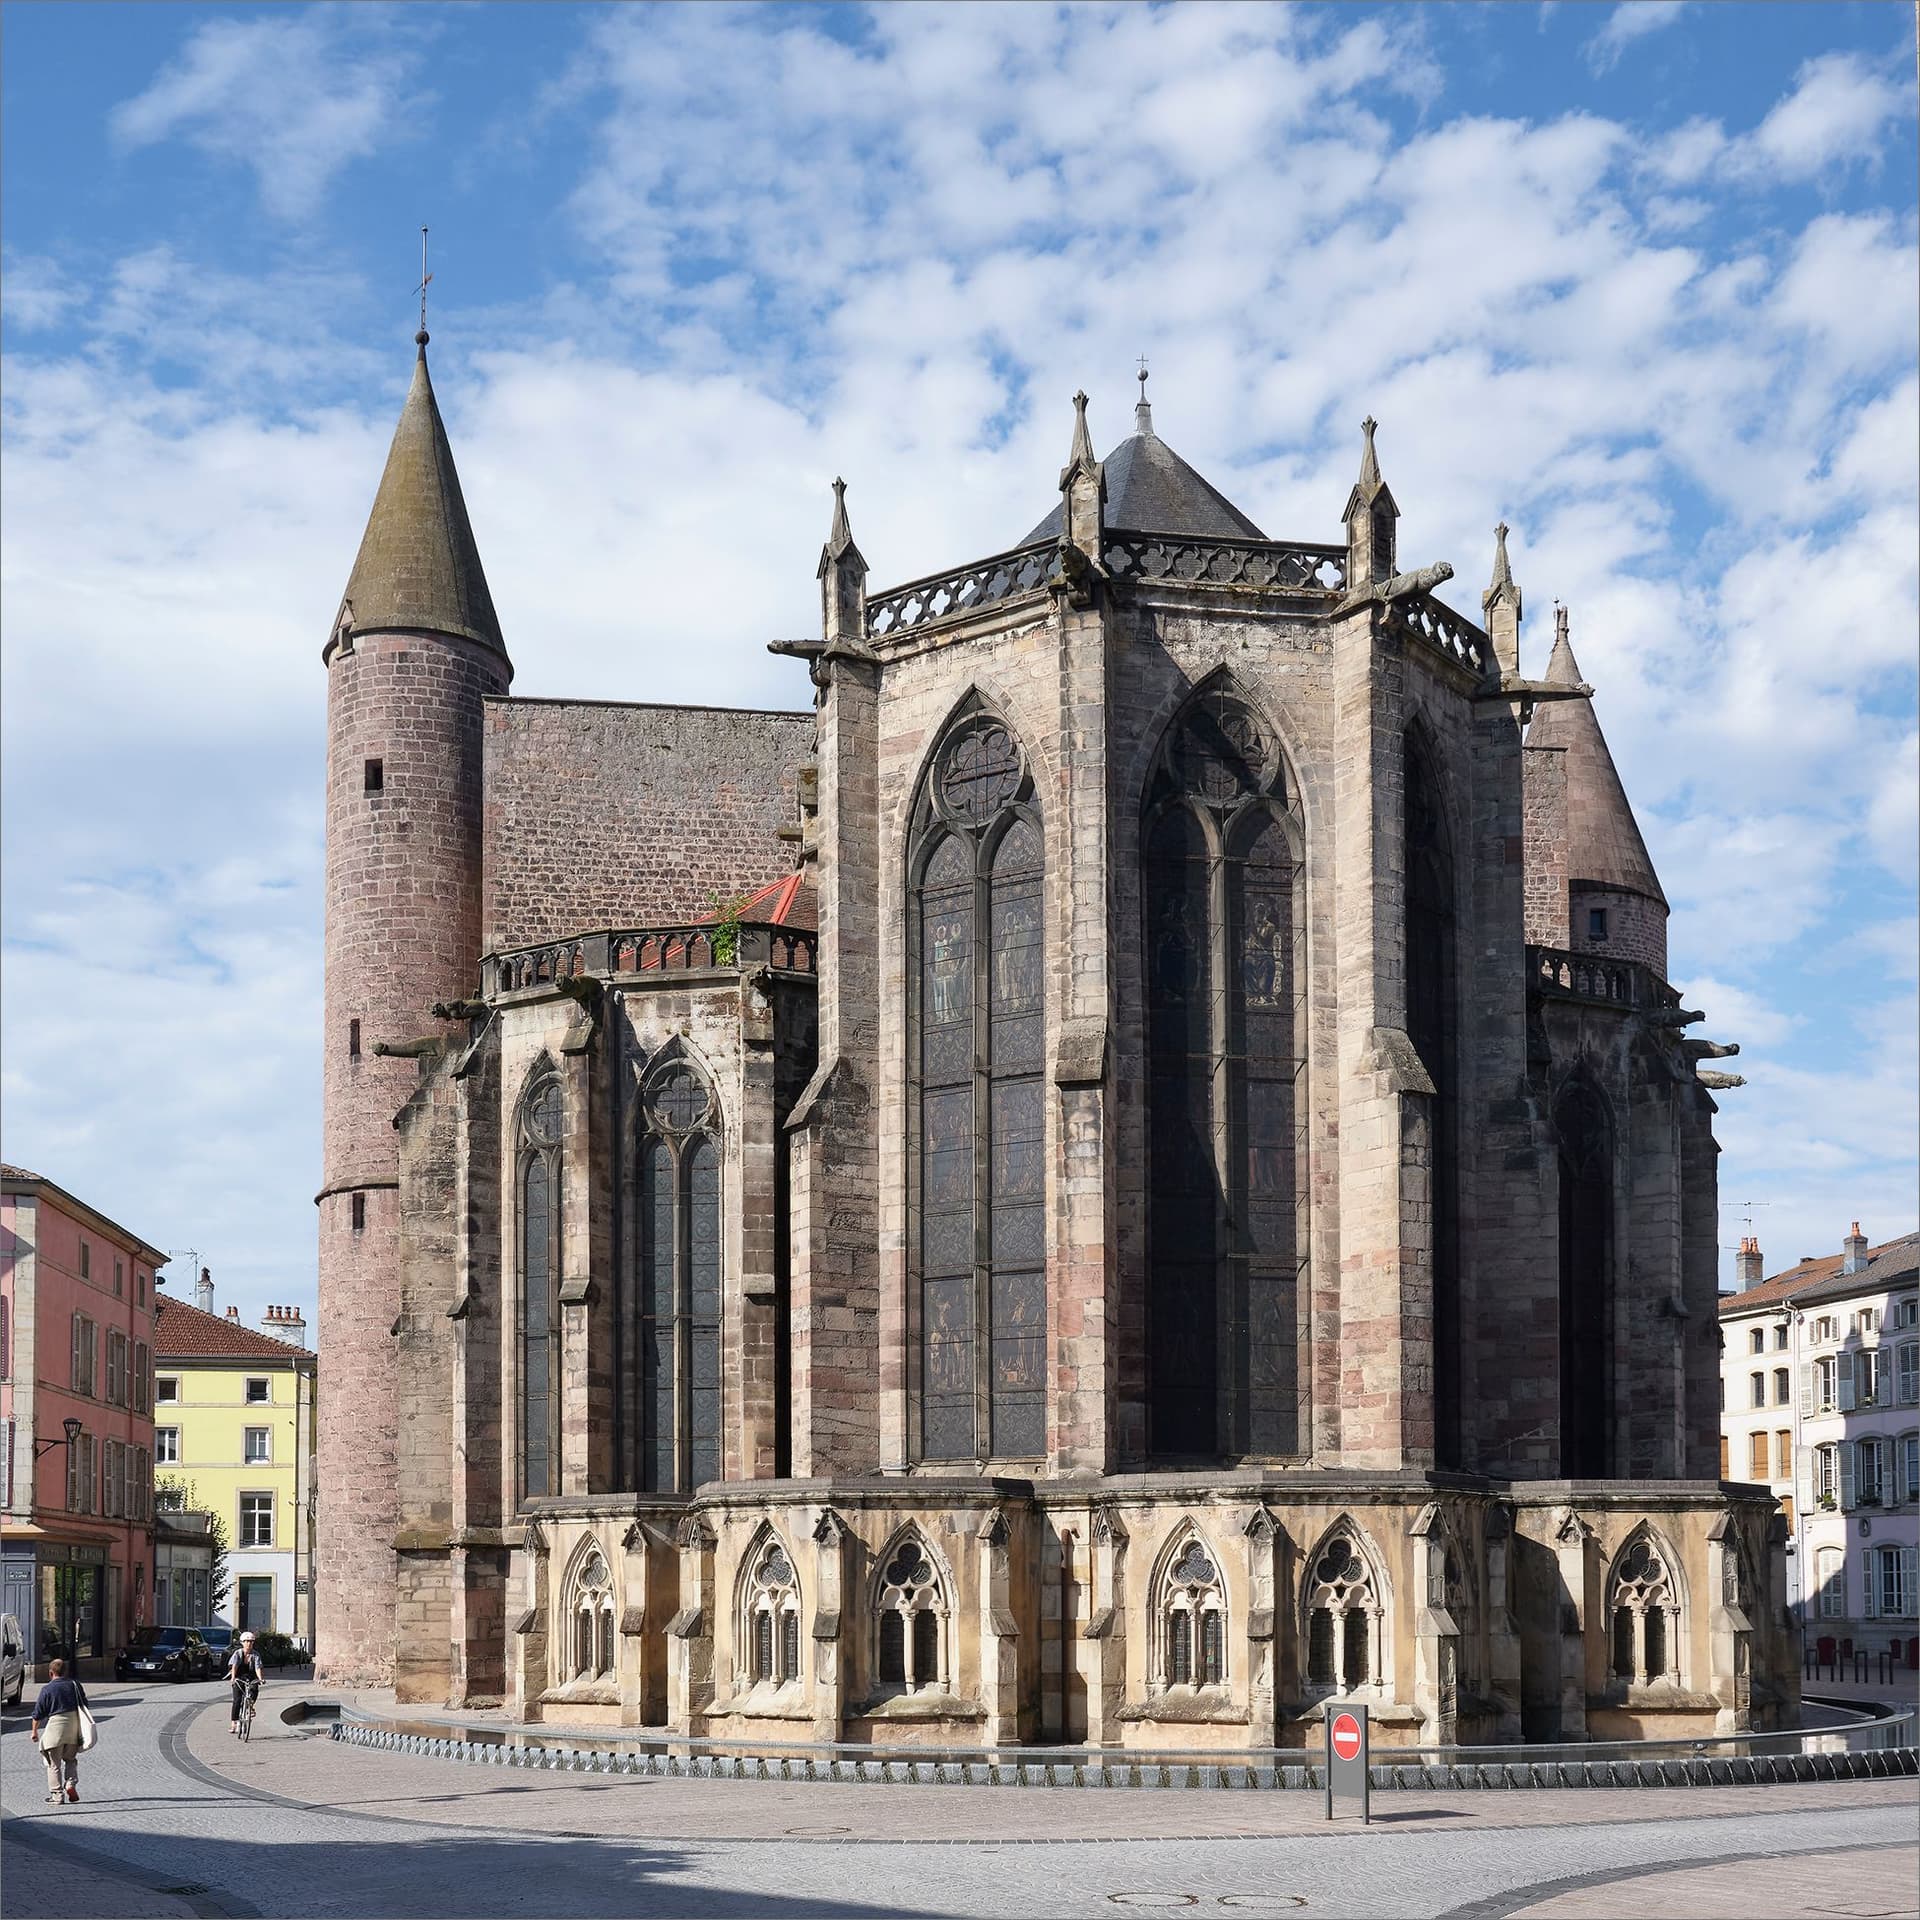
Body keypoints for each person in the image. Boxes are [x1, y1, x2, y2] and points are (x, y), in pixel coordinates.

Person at [30, 1656, 88, 1803]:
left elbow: (38, 1714)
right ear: (65, 1671)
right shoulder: (75, 1685)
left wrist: (34, 1732)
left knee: (54, 1764)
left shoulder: (47, 1689)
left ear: (51, 1673)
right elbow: (85, 1705)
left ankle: (57, 1795)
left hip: (56, 1729)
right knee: (70, 1759)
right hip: (74, 1729)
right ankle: (70, 1784)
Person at [227, 1630, 264, 1734]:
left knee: (255, 1689)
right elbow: (234, 1666)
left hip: (250, 1676)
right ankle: (233, 1723)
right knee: (237, 1700)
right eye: (247, 1641)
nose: (249, 1644)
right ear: (242, 1642)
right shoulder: (238, 1653)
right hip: (239, 1676)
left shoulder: (255, 1654)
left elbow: (258, 1667)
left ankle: (250, 1705)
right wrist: (233, 1678)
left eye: (251, 1642)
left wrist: (260, 1678)